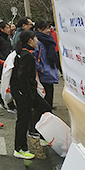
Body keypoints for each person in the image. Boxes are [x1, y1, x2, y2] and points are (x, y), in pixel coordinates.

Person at [11, 30, 52, 159]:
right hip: (24, 92)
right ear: (30, 41)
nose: (37, 42)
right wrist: (27, 94)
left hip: (26, 91)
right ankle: (20, 149)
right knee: (23, 119)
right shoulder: (26, 56)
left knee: (45, 108)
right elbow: (22, 76)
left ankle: (41, 135)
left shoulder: (21, 53)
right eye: (35, 39)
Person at [33, 20, 60, 108]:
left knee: (50, 91)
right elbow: (34, 57)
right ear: (39, 29)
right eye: (45, 29)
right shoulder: (38, 42)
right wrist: (40, 68)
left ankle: (49, 108)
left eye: (49, 28)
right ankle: (46, 111)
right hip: (43, 71)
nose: (48, 31)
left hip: (49, 69)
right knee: (45, 92)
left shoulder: (48, 39)